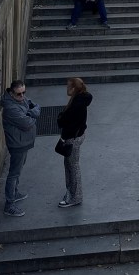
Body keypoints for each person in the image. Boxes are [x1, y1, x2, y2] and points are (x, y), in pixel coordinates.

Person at [0, 79, 41, 216]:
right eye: (19, 94)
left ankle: (14, 193)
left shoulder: (20, 100)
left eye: (24, 93)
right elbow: (27, 123)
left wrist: (31, 113)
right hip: (18, 144)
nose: (22, 96)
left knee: (18, 170)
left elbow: (36, 106)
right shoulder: (11, 108)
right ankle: (9, 204)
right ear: (11, 93)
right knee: (14, 173)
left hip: (23, 142)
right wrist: (32, 115)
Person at [56, 76, 93, 207]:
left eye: (68, 86)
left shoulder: (77, 104)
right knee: (69, 164)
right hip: (76, 136)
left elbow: (63, 121)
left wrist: (61, 117)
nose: (66, 89)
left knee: (73, 166)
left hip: (73, 138)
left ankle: (75, 197)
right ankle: (71, 191)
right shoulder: (81, 98)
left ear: (73, 88)